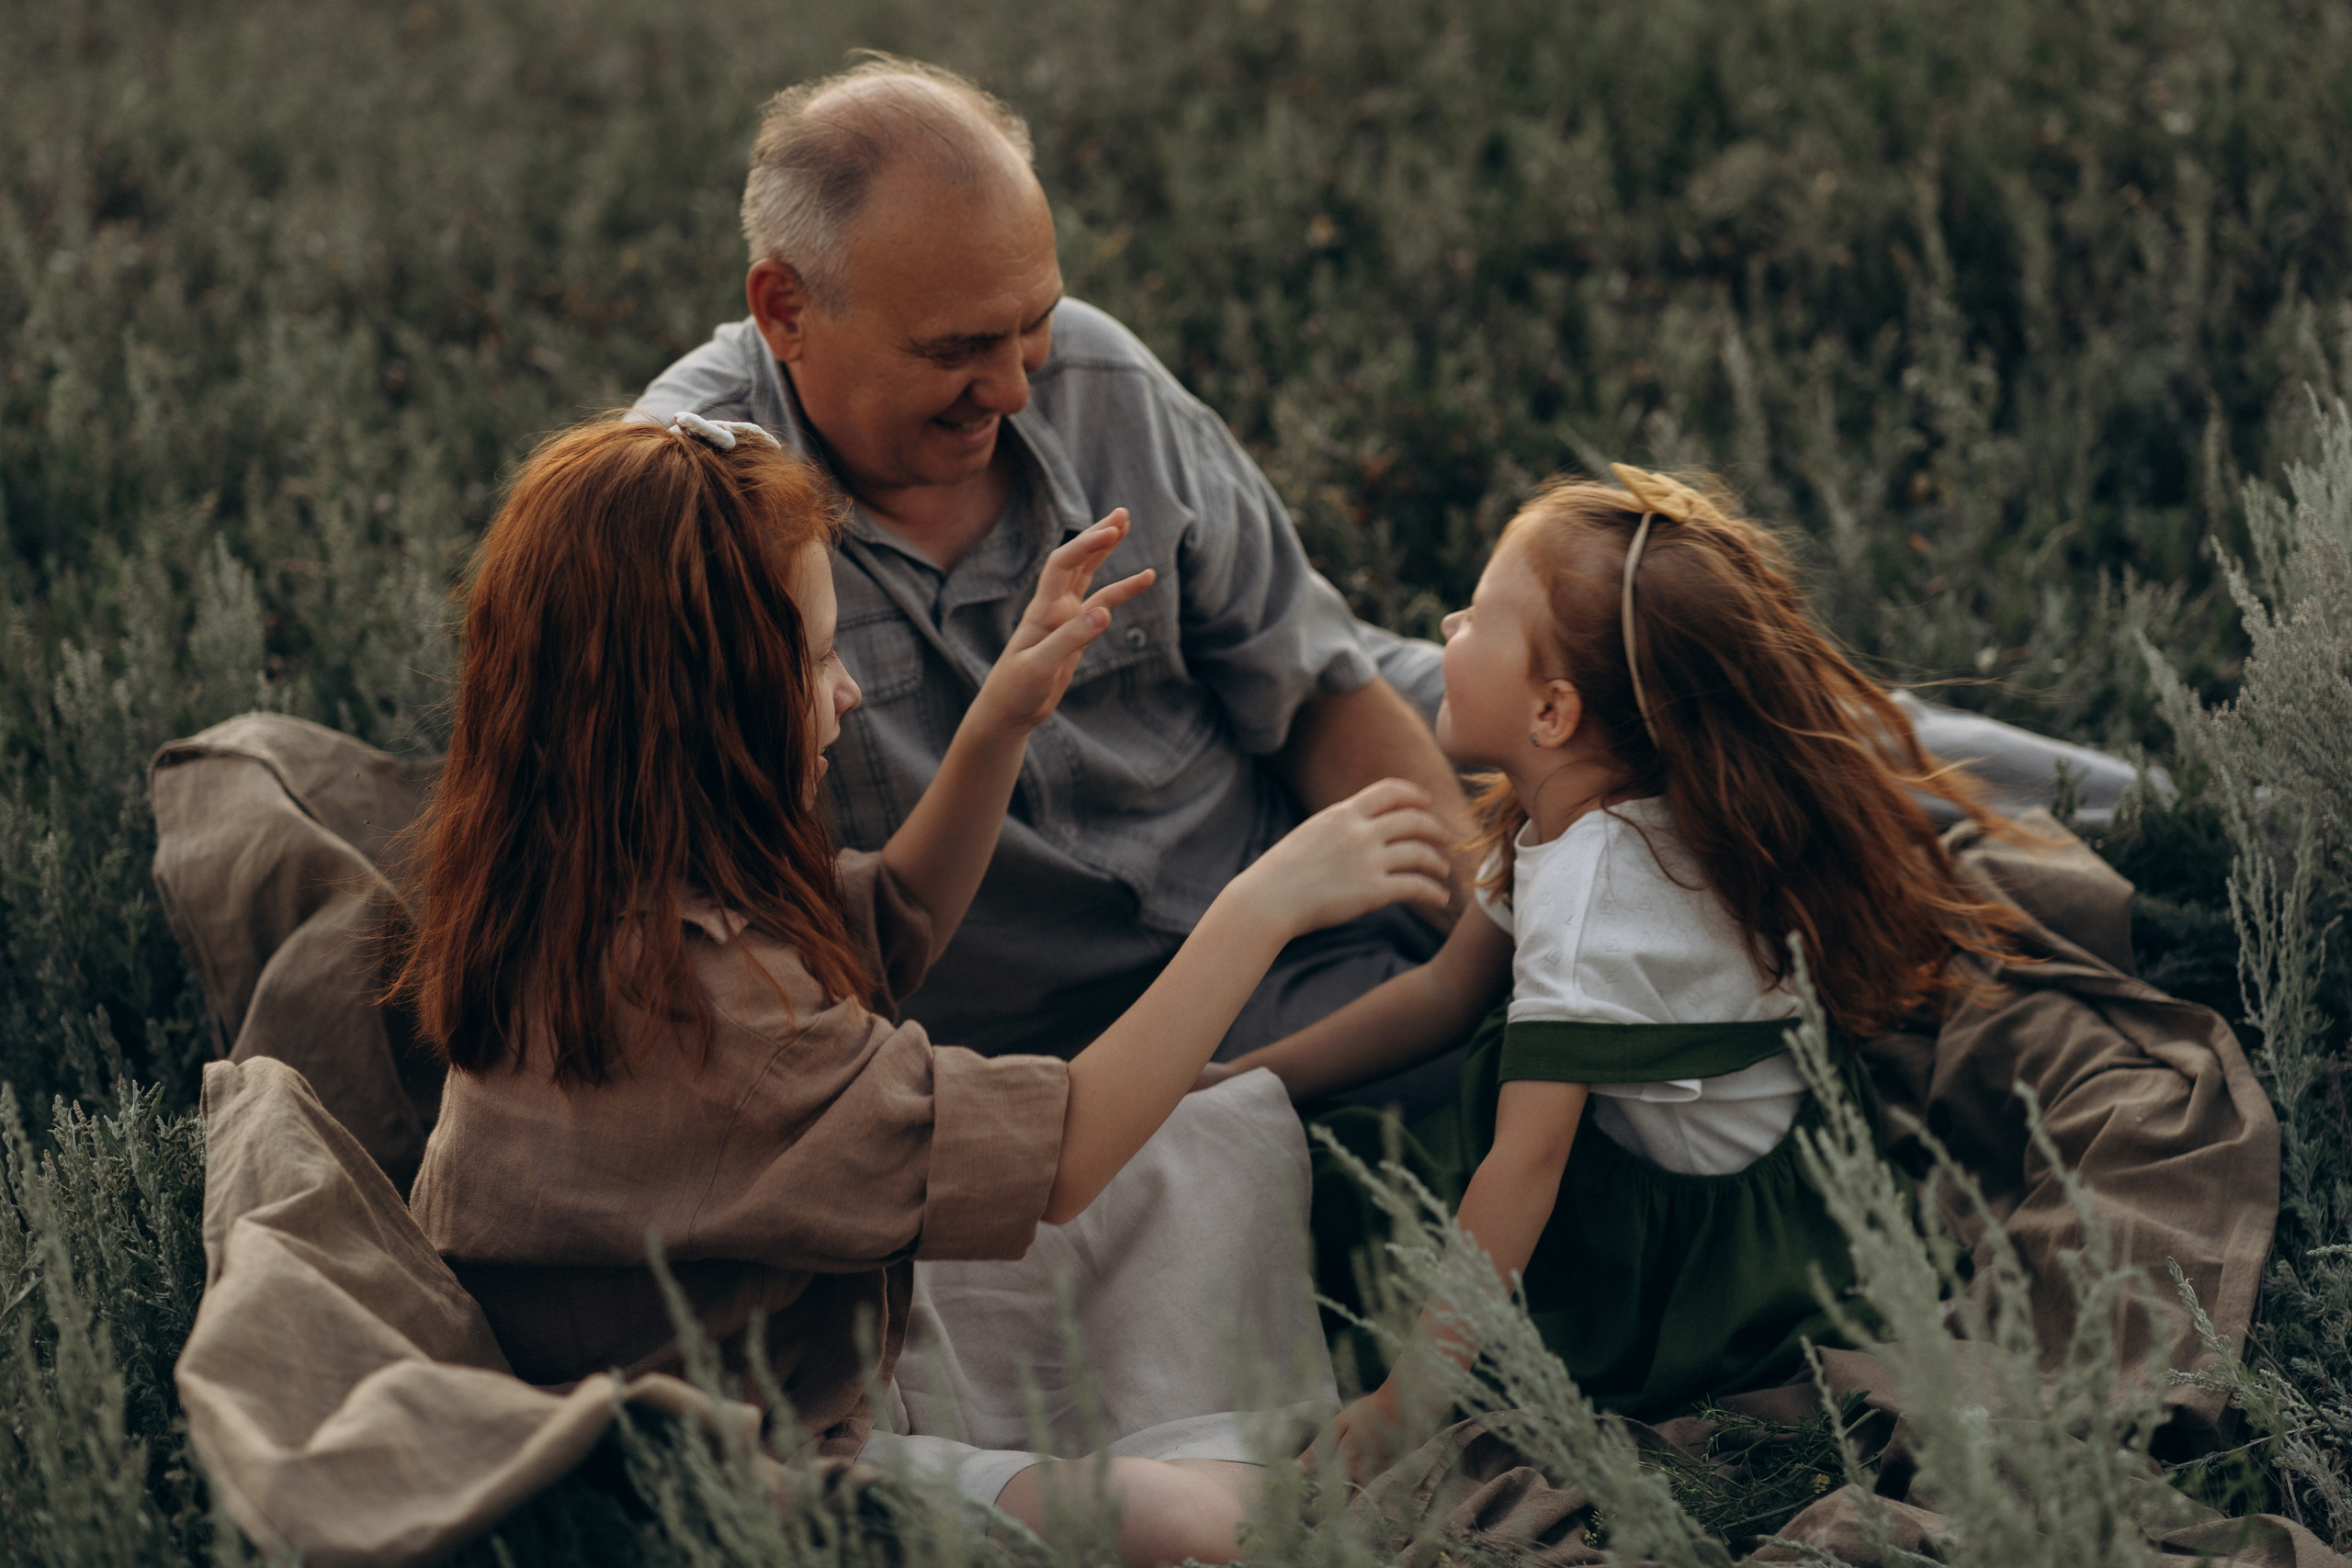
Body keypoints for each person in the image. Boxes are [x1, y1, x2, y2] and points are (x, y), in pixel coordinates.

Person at [392, 416, 1453, 1562]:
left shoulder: (593, 883)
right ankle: (1219, 1449)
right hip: (766, 1457)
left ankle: (1203, 1424)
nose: (845, 693)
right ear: (698, 706)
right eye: (813, 659)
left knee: (1211, 1133)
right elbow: (1063, 1158)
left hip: (788, 1321)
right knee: (1204, 1524)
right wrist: (1264, 904)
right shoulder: (700, 1023)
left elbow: (888, 917)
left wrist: (999, 717)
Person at [632, 58, 1475, 1109]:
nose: (1020, 388)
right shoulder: (685, 513)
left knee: (1607, 724)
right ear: (785, 309)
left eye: (1034, 321)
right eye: (958, 349)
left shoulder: (1097, 378)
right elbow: (719, 935)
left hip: (1281, 883)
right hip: (1016, 1046)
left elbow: (1312, 680)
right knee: (1439, 1091)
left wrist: (1486, 935)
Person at [1207, 465, 2026, 1476]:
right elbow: (1440, 994)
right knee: (1332, 1155)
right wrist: (1252, 1080)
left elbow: (1524, 1169)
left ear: (1552, 712)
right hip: (1712, 1174)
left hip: (1700, 1274)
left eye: (1477, 618)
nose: (1447, 624)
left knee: (1347, 1235)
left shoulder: (1595, 907)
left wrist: (1401, 1405)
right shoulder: (1593, 807)